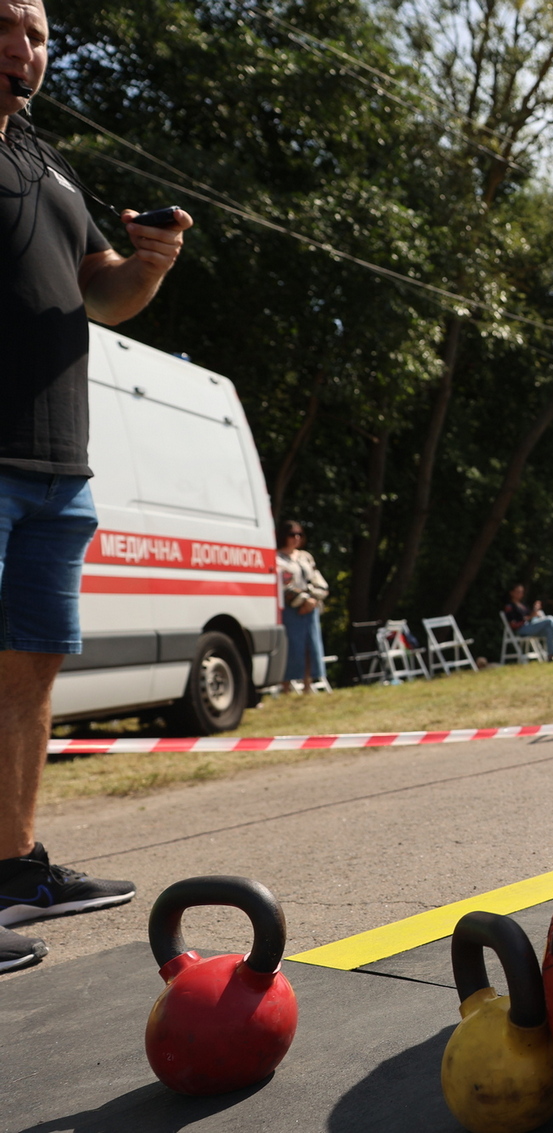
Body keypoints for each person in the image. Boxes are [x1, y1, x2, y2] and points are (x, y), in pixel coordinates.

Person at [0, 0, 195, 973]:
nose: (24, 49)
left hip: (54, 467)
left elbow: (101, 291)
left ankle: (13, 866)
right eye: (5, 26)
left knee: (30, 673)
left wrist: (148, 265)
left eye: (36, 32)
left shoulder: (46, 165)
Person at [277, 521, 329, 692]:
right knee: (292, 647)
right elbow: (283, 585)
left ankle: (307, 685)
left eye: (300, 534)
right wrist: (303, 600)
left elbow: (317, 579)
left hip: (310, 609)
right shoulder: (276, 558)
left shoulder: (305, 556)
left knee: (310, 646)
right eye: (292, 534)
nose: (296, 538)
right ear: (283, 535)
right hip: (291, 610)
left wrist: (314, 598)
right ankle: (286, 686)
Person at [503, 584, 553, 661]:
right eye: (518, 592)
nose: (521, 594)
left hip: (530, 627)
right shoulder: (510, 606)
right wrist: (531, 617)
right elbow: (514, 623)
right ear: (512, 593)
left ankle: (550, 656)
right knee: (550, 619)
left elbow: (530, 616)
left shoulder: (522, 605)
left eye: (522, 592)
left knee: (549, 629)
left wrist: (535, 611)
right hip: (522, 629)